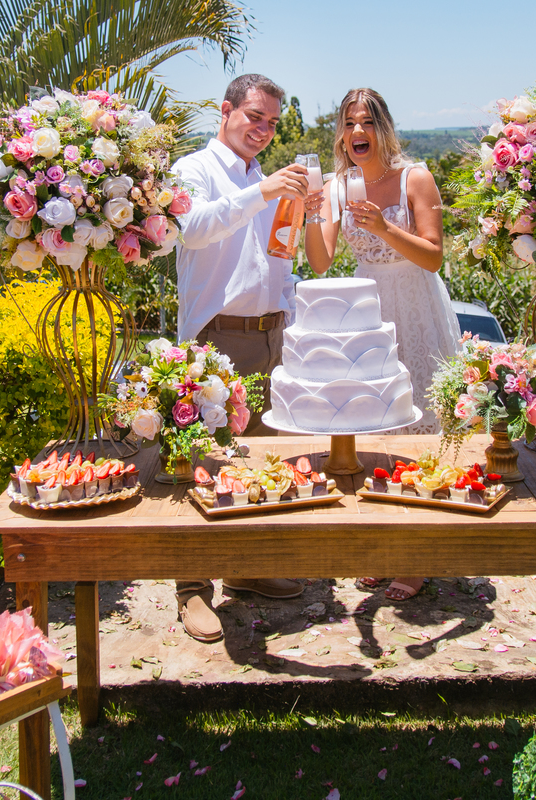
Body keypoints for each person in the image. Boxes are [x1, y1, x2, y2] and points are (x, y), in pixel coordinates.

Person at [169, 74, 314, 642]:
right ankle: (191, 589)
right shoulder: (194, 170)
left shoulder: (263, 178)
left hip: (268, 335)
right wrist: (264, 191)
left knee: (257, 462)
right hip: (216, 338)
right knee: (202, 463)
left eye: (272, 122)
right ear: (225, 111)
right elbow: (193, 231)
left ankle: (246, 569)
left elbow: (275, 259)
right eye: (255, 116)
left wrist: (288, 317)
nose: (264, 129)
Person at [304, 88, 462, 601]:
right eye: (348, 123)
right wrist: (310, 213)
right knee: (376, 427)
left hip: (415, 303)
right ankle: (386, 547)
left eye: (366, 122)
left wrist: (383, 226)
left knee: (419, 431)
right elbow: (322, 261)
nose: (356, 133)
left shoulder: (416, 176)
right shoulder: (338, 185)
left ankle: (420, 556)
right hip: (366, 313)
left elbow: (434, 257)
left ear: (382, 127)